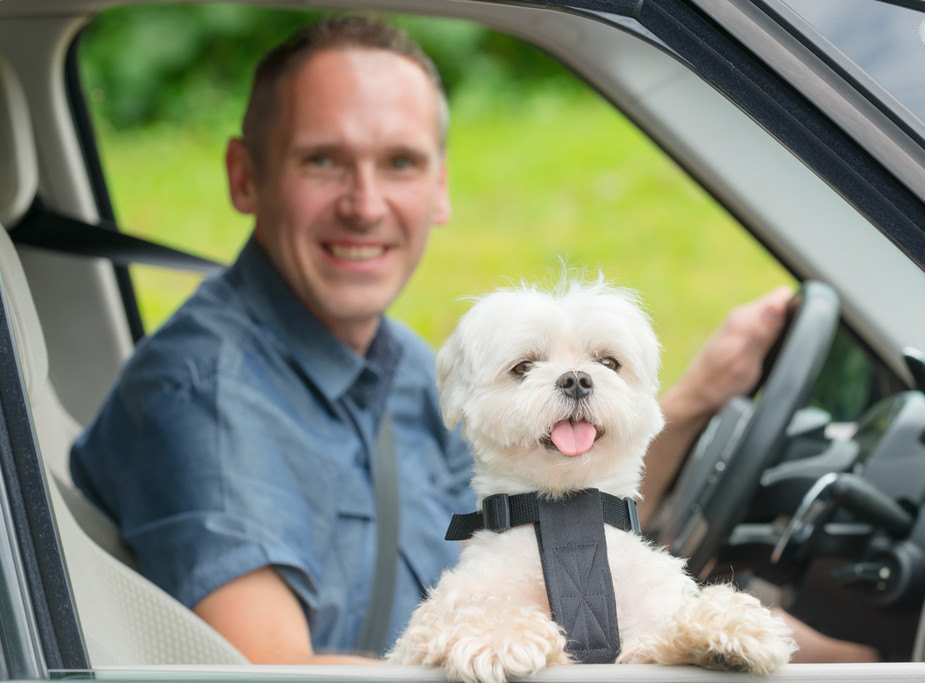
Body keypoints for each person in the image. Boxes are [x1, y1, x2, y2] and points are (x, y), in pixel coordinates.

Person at [68, 15, 864, 666]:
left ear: (440, 183)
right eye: (323, 161)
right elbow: (280, 673)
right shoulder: (204, 396)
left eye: (401, 162)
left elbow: (548, 515)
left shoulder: (402, 360)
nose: (366, 203)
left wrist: (690, 402)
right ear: (245, 176)